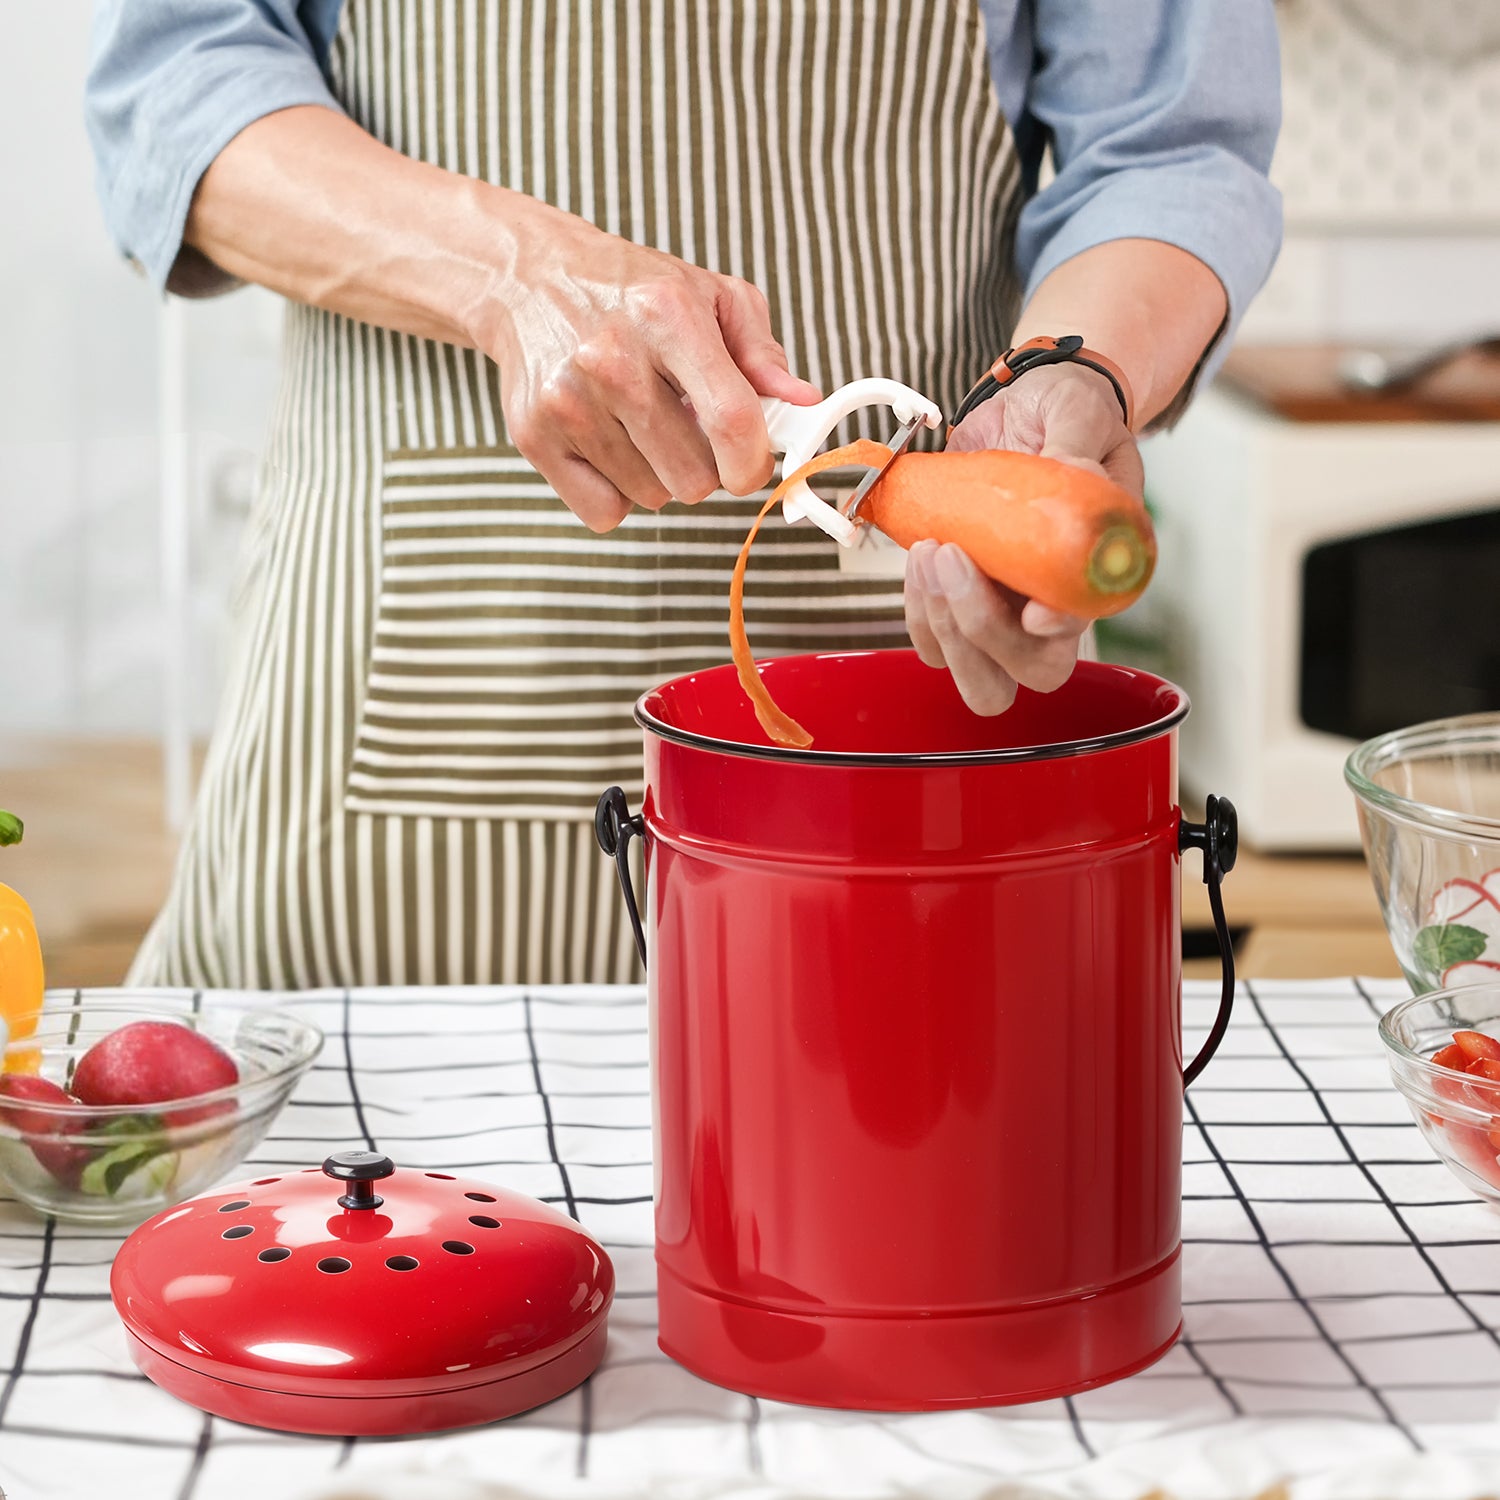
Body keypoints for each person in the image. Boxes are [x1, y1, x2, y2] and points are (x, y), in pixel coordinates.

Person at [85, 1, 1281, 989]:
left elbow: (1168, 149)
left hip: (907, 682)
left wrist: (1072, 372)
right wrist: (511, 277)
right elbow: (171, 84)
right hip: (413, 686)